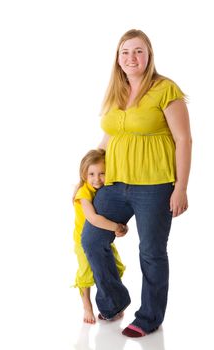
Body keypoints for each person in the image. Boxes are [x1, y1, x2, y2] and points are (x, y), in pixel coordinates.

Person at [81, 29, 192, 337]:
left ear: (149, 55)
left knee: (152, 251)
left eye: (138, 51)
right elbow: (109, 136)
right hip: (113, 185)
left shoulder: (165, 90)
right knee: (92, 239)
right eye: (125, 52)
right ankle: (114, 301)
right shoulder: (116, 92)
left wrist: (180, 187)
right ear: (118, 58)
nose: (132, 57)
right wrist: (85, 175)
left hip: (154, 186)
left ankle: (149, 317)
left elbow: (184, 139)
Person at [73, 148, 128, 324]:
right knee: (87, 273)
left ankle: (114, 303)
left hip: (101, 236)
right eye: (91, 174)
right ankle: (87, 307)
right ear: (84, 175)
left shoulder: (105, 190)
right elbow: (93, 218)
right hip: (83, 240)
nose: (97, 179)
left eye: (102, 173)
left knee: (114, 266)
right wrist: (117, 226)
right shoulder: (83, 194)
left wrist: (118, 228)